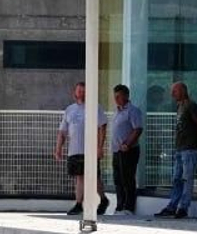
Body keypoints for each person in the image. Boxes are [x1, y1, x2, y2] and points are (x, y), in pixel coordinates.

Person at [54, 81, 106, 217]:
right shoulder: (69, 109)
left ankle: (103, 199)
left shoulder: (95, 107)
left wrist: (100, 147)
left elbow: (102, 127)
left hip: (90, 150)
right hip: (74, 150)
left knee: (94, 177)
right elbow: (62, 131)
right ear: (74, 93)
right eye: (79, 90)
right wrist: (58, 148)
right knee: (79, 177)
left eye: (84, 91)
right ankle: (78, 204)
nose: (81, 93)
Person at [157, 81, 197, 219]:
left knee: (187, 178)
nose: (172, 94)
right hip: (179, 148)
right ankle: (173, 206)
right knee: (176, 178)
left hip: (189, 148)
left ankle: (183, 207)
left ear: (183, 91)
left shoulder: (191, 105)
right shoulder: (180, 106)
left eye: (175, 90)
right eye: (172, 91)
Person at [109, 84, 144, 215]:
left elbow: (138, 129)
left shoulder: (133, 111)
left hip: (128, 151)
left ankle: (128, 207)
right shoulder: (117, 111)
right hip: (116, 151)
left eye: (118, 96)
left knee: (127, 179)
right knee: (118, 179)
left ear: (126, 96)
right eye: (115, 96)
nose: (116, 99)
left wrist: (127, 144)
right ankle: (119, 206)